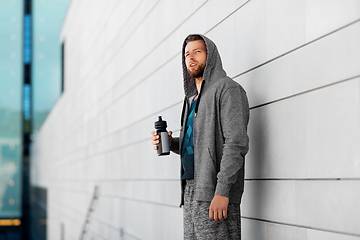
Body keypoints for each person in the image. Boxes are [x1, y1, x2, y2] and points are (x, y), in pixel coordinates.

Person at [151, 34, 249, 240]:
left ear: (210, 55)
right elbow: (199, 145)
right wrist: (171, 143)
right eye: (187, 54)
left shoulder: (227, 89)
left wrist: (222, 191)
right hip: (190, 190)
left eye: (197, 51)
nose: (191, 57)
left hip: (214, 189)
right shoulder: (191, 100)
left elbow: (236, 143)